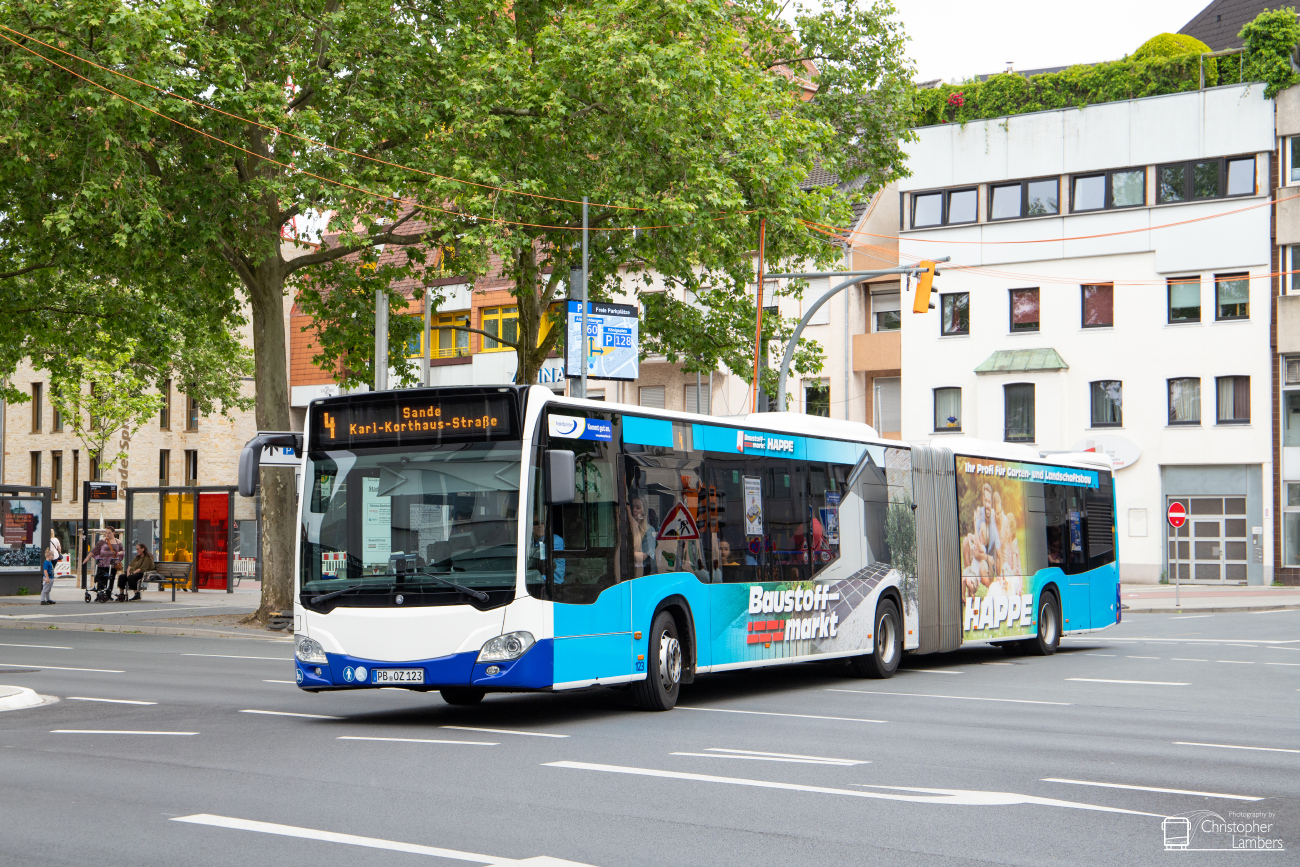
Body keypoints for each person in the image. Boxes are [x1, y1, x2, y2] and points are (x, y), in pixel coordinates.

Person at [82, 528, 123, 602]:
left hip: (112, 564)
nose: (107, 534)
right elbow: (94, 550)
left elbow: (122, 551)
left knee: (111, 579)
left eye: (109, 533)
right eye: (106, 533)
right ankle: (99, 594)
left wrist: (119, 554)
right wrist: (87, 557)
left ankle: (108, 595)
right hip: (102, 563)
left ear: (114, 533)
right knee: (101, 578)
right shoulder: (102, 541)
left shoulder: (117, 542)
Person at [627, 495, 657, 575]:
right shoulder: (627, 528)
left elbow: (644, 556)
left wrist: (624, 553)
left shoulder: (649, 530)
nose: (634, 510)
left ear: (644, 511)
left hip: (644, 573)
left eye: (638, 507)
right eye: (632, 507)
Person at [530, 518, 565, 584]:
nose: (540, 526)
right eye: (536, 523)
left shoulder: (555, 540)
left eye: (542, 523)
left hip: (553, 583)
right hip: (536, 581)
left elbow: (540, 555)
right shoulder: (531, 541)